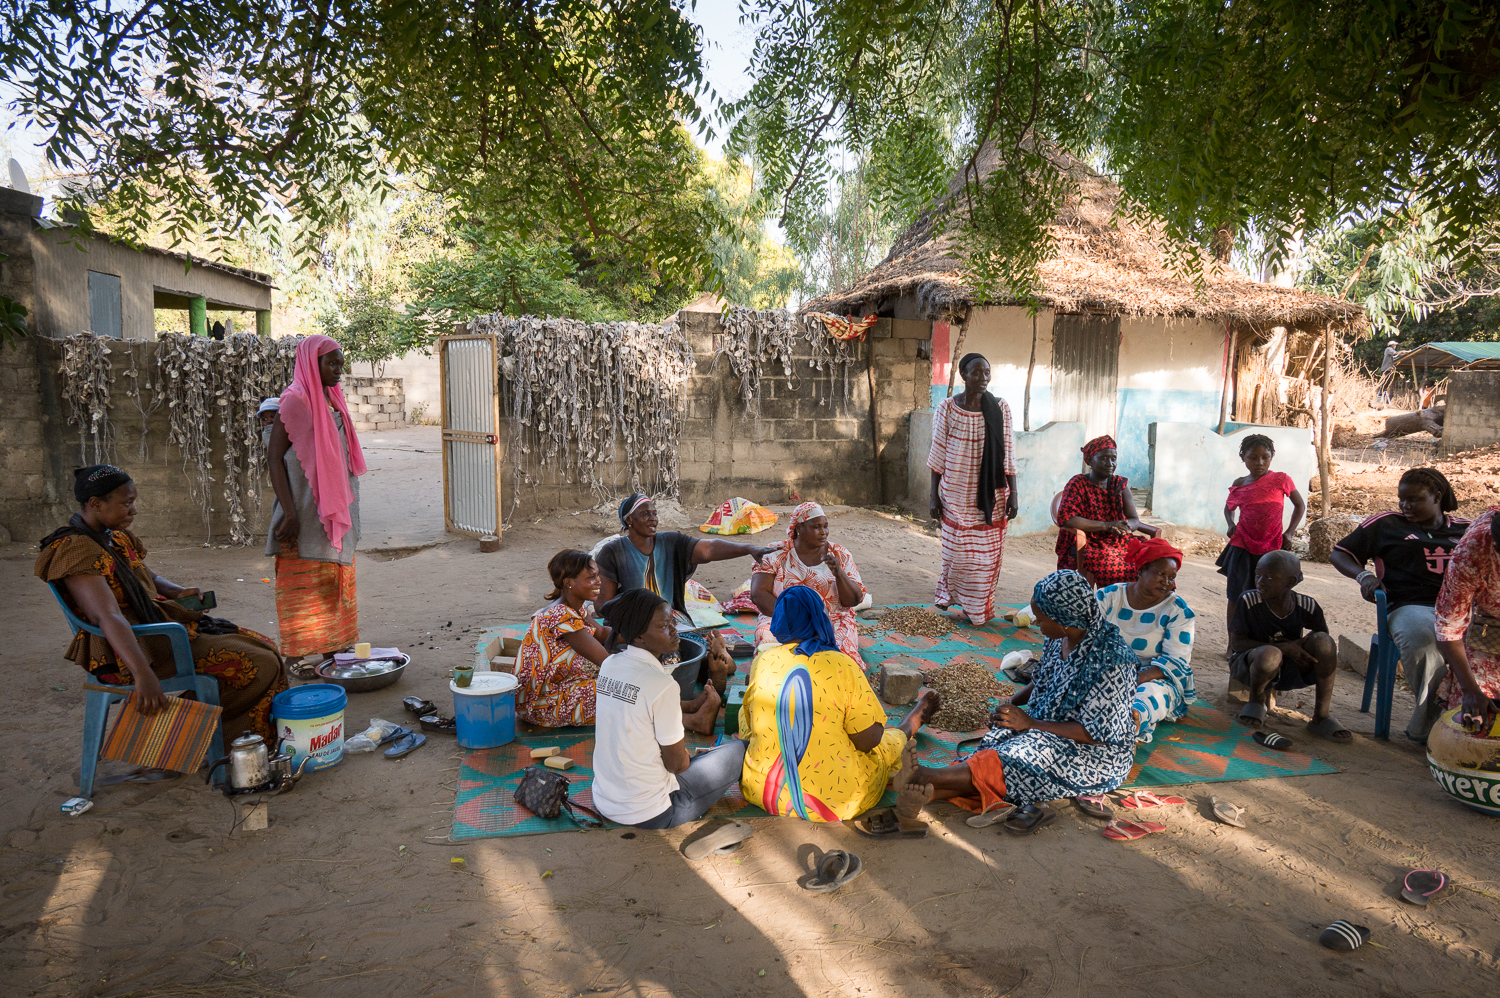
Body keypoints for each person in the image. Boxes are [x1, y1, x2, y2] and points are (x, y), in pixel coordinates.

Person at [35, 466, 287, 741]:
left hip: (154, 631)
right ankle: (184, 743)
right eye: (126, 503)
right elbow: (108, 616)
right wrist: (142, 673)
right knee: (261, 663)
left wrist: (178, 593)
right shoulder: (77, 549)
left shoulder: (114, 537)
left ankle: (197, 741)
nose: (133, 511)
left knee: (267, 649)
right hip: (131, 650)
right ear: (95, 504)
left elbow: (148, 577)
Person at [903, 571, 1140, 835]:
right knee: (1001, 736)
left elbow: (1097, 734)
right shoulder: (1060, 637)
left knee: (1022, 753)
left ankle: (924, 778)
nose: (1037, 623)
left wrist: (1029, 722)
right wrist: (1010, 705)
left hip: (1095, 755)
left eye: (1041, 618)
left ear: (1064, 620)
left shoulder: (1113, 662)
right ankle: (930, 791)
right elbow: (1041, 680)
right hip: (1047, 727)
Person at [740, 586, 939, 822]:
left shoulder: (763, 660)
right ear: (819, 618)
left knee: (750, 709)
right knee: (885, 743)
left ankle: (899, 759)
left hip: (763, 792)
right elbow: (868, 741)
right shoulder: (842, 665)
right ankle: (910, 725)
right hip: (837, 801)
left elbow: (753, 725)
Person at [1330, 468, 1470, 742]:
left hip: (1461, 610)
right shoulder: (1386, 524)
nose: (1405, 506)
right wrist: (1364, 575)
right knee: (1426, 641)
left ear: (1437, 497)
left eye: (1414, 500)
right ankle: (1431, 730)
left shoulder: (1466, 529)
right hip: (1410, 607)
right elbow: (1340, 554)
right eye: (1401, 499)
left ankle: (1475, 721)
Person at [590, 590, 746, 829]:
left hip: (605, 801)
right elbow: (677, 766)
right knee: (740, 749)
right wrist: (690, 758)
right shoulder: (662, 684)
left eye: (672, 621)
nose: (674, 629)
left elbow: (639, 709)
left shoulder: (611, 664)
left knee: (704, 756)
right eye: (664, 625)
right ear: (640, 637)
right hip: (654, 812)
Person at [265, 334, 366, 671]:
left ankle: (333, 648)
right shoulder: (294, 402)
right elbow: (274, 458)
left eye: (341, 362)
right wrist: (289, 512)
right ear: (312, 362)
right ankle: (294, 656)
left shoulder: (333, 399)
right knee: (301, 578)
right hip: (305, 508)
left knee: (333, 575)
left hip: (335, 505)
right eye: (332, 363)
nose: (339, 369)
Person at [927, 353, 1017, 624]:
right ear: (963, 376)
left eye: (987, 373)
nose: (983, 378)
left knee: (985, 560)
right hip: (954, 492)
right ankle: (950, 596)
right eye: (977, 373)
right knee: (957, 554)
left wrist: (1015, 494)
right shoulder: (947, 408)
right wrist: (933, 495)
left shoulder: (1000, 408)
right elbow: (937, 455)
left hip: (991, 495)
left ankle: (977, 609)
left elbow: (1008, 455)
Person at [1229, 550, 1348, 741]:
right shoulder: (1249, 601)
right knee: (1270, 653)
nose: (1260, 581)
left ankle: (1321, 716)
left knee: (1325, 644)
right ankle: (1257, 702)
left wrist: (1300, 648)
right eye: (1257, 575)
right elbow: (1237, 643)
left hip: (1290, 669)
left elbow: (1321, 638)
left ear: (1290, 582)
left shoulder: (1307, 605)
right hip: (1250, 665)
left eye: (1268, 577)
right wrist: (1285, 647)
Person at [595, 494, 777, 618]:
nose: (653, 519)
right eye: (645, 514)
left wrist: (748, 548)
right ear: (629, 520)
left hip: (672, 621)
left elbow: (709, 549)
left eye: (654, 514)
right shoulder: (613, 551)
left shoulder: (671, 542)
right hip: (632, 627)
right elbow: (604, 606)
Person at [1095, 538, 1197, 744]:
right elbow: (1085, 638)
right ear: (1141, 571)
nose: (1167, 582)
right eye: (1161, 574)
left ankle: (1133, 722)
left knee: (1149, 696)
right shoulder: (1109, 596)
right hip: (1106, 669)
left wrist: (1131, 681)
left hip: (1153, 676)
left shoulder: (1178, 611)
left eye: (1172, 577)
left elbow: (1176, 660)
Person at [748, 502, 866, 660]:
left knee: (838, 657)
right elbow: (758, 594)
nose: (823, 532)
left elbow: (853, 600)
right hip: (783, 618)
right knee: (768, 648)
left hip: (831, 620)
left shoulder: (839, 554)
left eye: (825, 526)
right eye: (816, 527)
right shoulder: (775, 553)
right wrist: (798, 623)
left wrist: (839, 573)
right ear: (798, 528)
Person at [515, 550, 614, 728]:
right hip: (540, 705)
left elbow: (602, 633)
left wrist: (640, 633)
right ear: (568, 583)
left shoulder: (575, 608)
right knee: (624, 693)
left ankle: (676, 708)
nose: (598, 581)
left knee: (625, 689)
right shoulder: (561, 615)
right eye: (591, 577)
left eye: (598, 575)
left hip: (554, 688)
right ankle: (676, 714)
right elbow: (607, 661)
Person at [1216, 434, 1305, 627]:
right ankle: (1233, 643)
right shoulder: (1240, 483)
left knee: (1272, 594)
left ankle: (1263, 638)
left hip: (1272, 548)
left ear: (1272, 456)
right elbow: (1228, 507)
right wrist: (1231, 524)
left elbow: (1299, 505)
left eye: (1265, 457)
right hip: (1242, 545)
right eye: (1252, 458)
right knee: (1236, 595)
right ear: (1243, 458)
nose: (1259, 462)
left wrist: (1289, 532)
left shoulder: (1281, 479)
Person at [1054, 435, 1156, 587]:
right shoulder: (1077, 483)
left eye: (1113, 458)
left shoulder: (1120, 484)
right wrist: (1107, 525)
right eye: (1103, 458)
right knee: (1112, 566)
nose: (1110, 463)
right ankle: (1109, 602)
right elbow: (1067, 519)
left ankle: (1140, 604)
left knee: (1154, 559)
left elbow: (1134, 519)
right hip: (1089, 540)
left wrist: (1125, 527)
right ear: (1090, 461)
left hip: (1118, 539)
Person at [1434, 510, 1500, 734]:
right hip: (1487, 628)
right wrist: (1470, 690)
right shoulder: (1473, 551)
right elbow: (1448, 627)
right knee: (1472, 718)